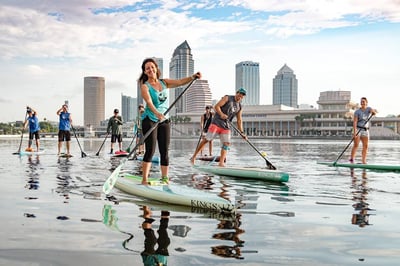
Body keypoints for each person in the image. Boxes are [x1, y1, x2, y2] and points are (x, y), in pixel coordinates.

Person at [138, 57, 201, 185]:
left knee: (164, 151)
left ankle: (165, 178)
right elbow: (149, 103)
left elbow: (180, 82)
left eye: (152, 67)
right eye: (147, 68)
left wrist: (192, 77)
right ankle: (144, 179)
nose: (150, 69)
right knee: (150, 150)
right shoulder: (145, 86)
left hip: (164, 120)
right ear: (145, 72)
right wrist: (157, 113)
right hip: (150, 119)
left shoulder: (164, 83)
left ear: (156, 68)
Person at [190, 88, 247, 167]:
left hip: (226, 126)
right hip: (216, 123)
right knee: (207, 140)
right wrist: (221, 114)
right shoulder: (227, 98)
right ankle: (194, 156)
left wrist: (242, 132)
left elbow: (239, 120)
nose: (240, 97)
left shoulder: (239, 107)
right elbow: (216, 106)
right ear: (236, 93)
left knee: (226, 143)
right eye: (239, 94)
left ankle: (221, 163)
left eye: (242, 96)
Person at [349, 97, 377, 164]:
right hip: (358, 129)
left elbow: (374, 112)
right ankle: (352, 159)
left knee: (366, 146)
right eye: (361, 101)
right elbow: (355, 122)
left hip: (365, 130)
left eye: (363, 101)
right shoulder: (357, 112)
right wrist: (355, 132)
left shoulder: (368, 109)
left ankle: (363, 161)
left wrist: (373, 112)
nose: (362, 103)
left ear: (366, 103)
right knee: (356, 145)